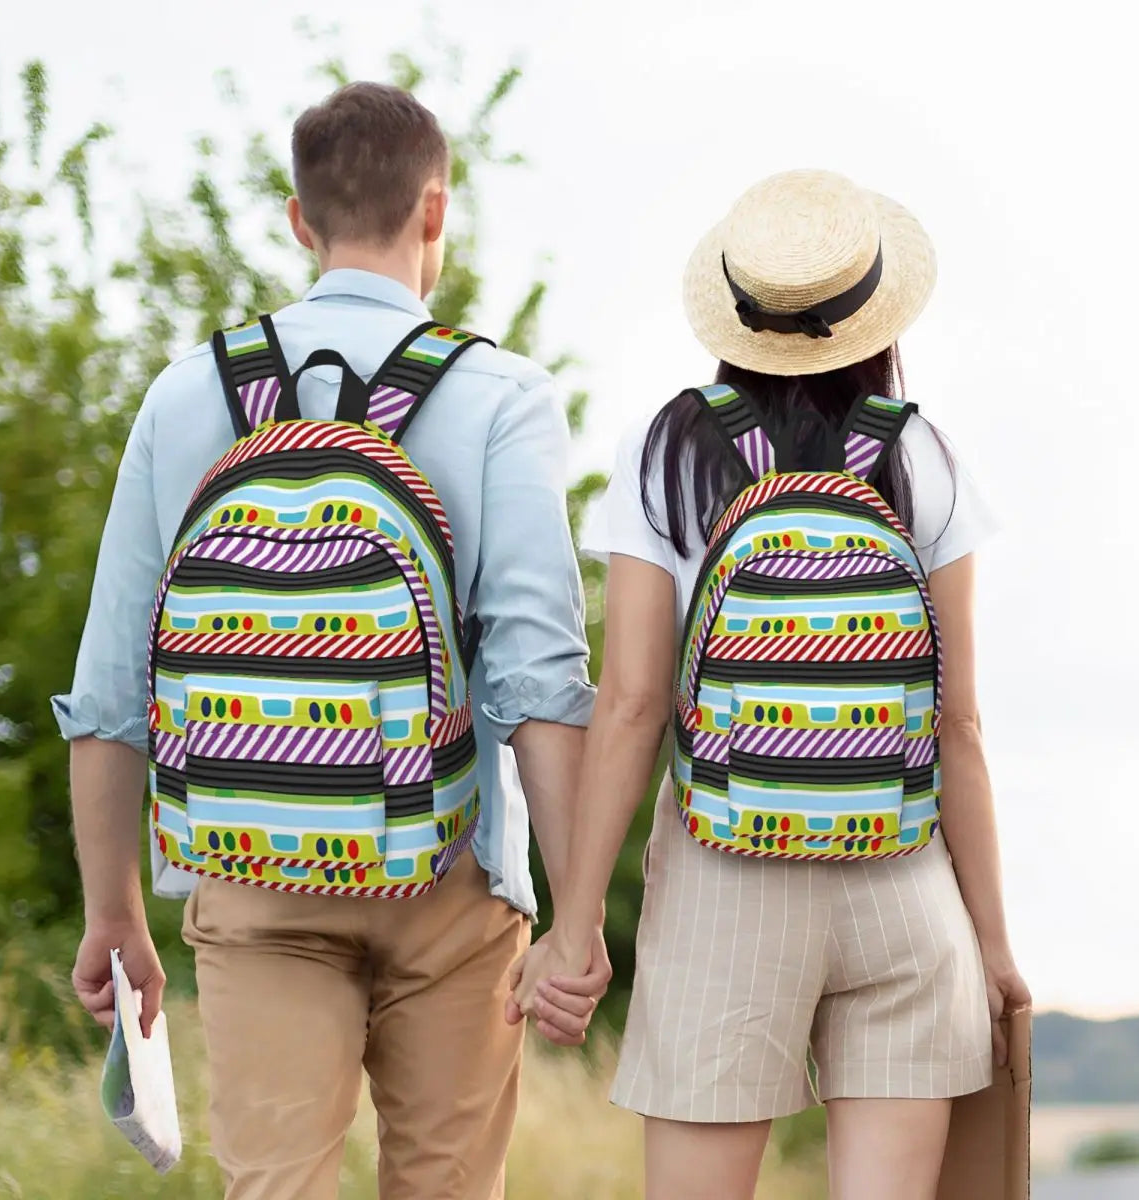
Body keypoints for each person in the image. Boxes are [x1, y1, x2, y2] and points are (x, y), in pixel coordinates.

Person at [54, 81, 610, 1200]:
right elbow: (539, 681)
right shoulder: (501, 395)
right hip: (451, 871)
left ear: (299, 220)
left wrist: (113, 914)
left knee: (275, 1185)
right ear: (435, 211)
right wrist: (577, 914)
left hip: (250, 863)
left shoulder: (187, 395)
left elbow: (112, 685)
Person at [510, 169, 1031, 1200]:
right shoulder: (923, 455)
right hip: (903, 880)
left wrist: (576, 925)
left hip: (724, 880)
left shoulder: (668, 451)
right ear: (876, 314)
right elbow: (959, 725)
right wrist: (993, 943)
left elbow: (632, 705)